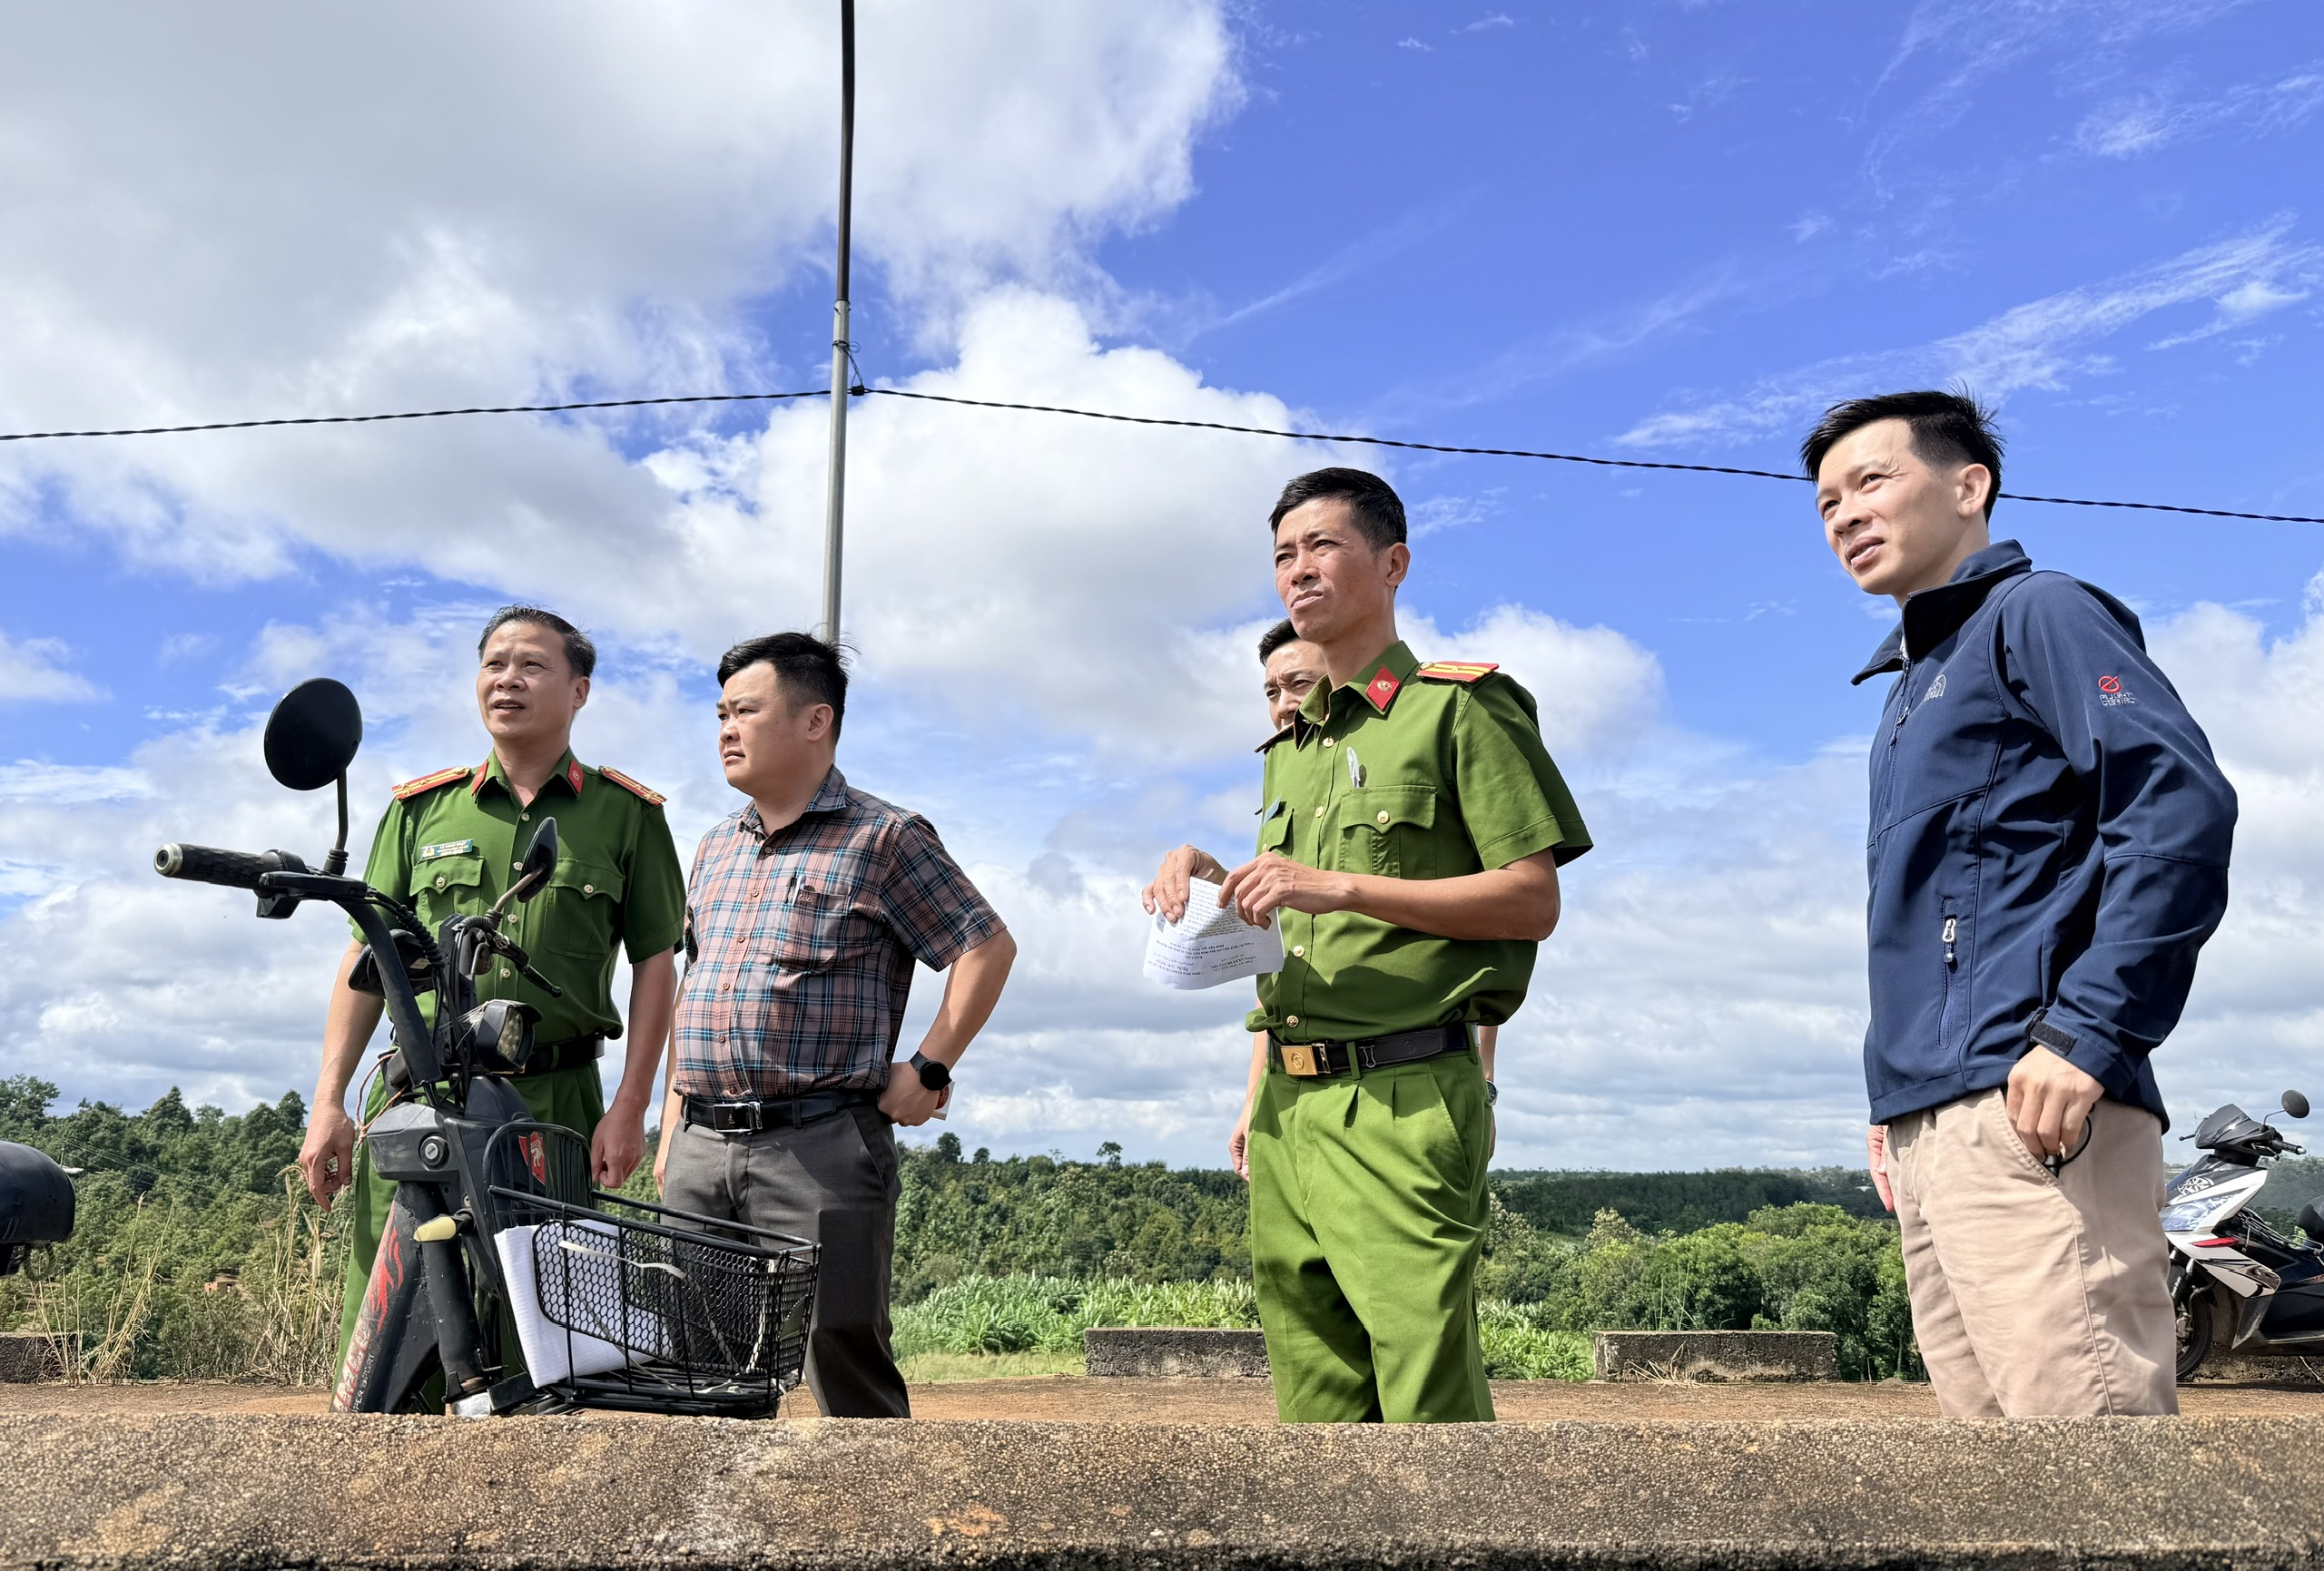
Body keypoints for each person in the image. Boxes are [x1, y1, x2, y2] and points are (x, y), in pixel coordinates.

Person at [1808, 390, 2237, 1419]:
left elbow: (2178, 808)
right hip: (1932, 1121)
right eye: (1825, 504)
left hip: (2033, 1105)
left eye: (1871, 481)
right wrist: (1894, 1107)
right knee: (1996, 1480)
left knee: (2088, 1461)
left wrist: (2089, 1031)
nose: (1845, 514)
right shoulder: (1912, 685)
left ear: (1970, 487)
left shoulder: (2038, 613)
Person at [1213, 468, 1590, 1423]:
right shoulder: (1293, 751)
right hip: (1288, 1105)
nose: (1298, 570)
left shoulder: (1459, 709)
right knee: (1317, 1405)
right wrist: (1211, 892)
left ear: (1393, 564)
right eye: (1282, 555)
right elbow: (1295, 931)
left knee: (1426, 1406)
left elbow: (1530, 899)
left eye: (1322, 546)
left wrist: (1336, 884)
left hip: (1401, 1091)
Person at [297, 605, 686, 1376]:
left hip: (556, 1102)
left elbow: (656, 964)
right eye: (494, 663)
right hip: (420, 1095)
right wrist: (329, 1099)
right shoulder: (420, 810)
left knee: (549, 1341)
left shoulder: (626, 816)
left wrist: (630, 1105)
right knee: (394, 1337)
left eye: (532, 665)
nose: (507, 679)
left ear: (579, 690)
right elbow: (365, 955)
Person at [656, 632, 1017, 1418]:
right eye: (720, 713)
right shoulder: (714, 847)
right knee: (701, 1375)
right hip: (700, 1146)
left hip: (819, 1145)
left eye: (745, 711)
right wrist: (671, 1128)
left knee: (843, 1363)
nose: (726, 729)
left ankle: (875, 1503)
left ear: (815, 720)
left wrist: (929, 1066)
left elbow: (985, 946)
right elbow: (696, 987)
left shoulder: (884, 837)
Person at [1143, 618, 1505, 1176]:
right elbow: (1289, 953)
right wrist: (1212, 879)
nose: (1284, 706)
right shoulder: (1283, 763)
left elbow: (1515, 905)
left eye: (1299, 684)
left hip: (1405, 1093)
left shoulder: (1444, 714)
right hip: (1286, 1100)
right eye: (1271, 692)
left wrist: (1484, 1082)